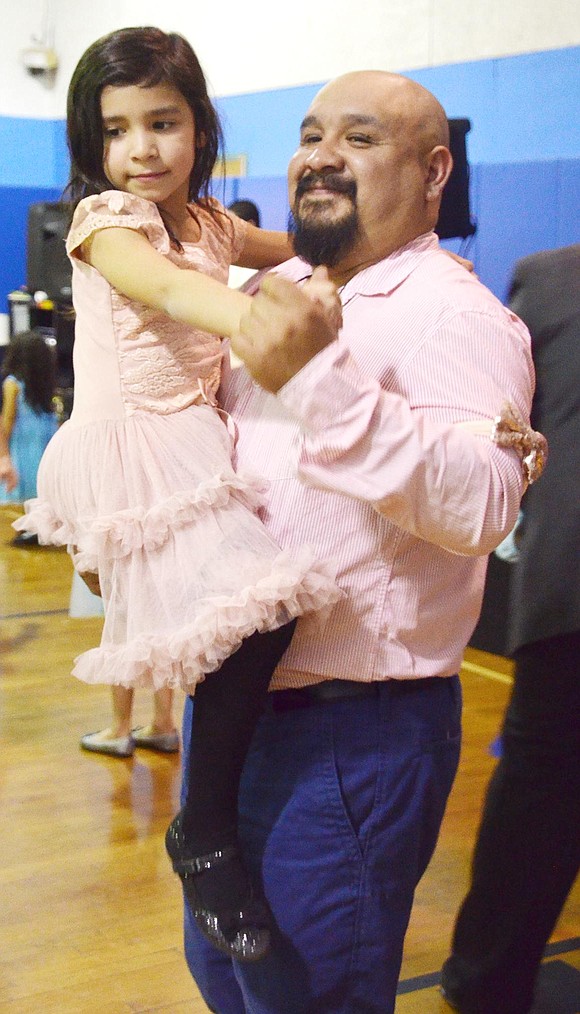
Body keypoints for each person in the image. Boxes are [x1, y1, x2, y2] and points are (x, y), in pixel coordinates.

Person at [179, 69, 547, 1014]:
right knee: (227, 984)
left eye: (360, 138)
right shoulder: (271, 290)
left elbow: (484, 504)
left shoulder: (457, 317)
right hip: (225, 718)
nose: (320, 156)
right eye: (310, 134)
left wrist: (320, 379)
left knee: (309, 997)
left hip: (350, 736)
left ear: (433, 172)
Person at [13, 27, 341, 964]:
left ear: (200, 127)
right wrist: (258, 318)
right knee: (258, 621)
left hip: (194, 438)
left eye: (163, 122)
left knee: (239, 638)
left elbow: (296, 245)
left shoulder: (212, 222)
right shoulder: (106, 222)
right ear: (94, 145)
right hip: (134, 450)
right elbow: (163, 289)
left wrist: (379, 250)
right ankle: (203, 833)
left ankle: (210, 819)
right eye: (117, 130)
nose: (142, 148)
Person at [440, 245, 580, 1014]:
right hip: (570, 589)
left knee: (537, 796)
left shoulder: (552, 279)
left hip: (569, 584)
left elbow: (507, 424)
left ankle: (485, 979)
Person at [0, 330, 59, 545]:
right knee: (40, 486)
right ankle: (39, 529)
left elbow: (8, 418)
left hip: (22, 442)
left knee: (23, 486)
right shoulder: (45, 384)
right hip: (45, 439)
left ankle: (28, 529)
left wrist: (3, 445)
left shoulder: (12, 383)